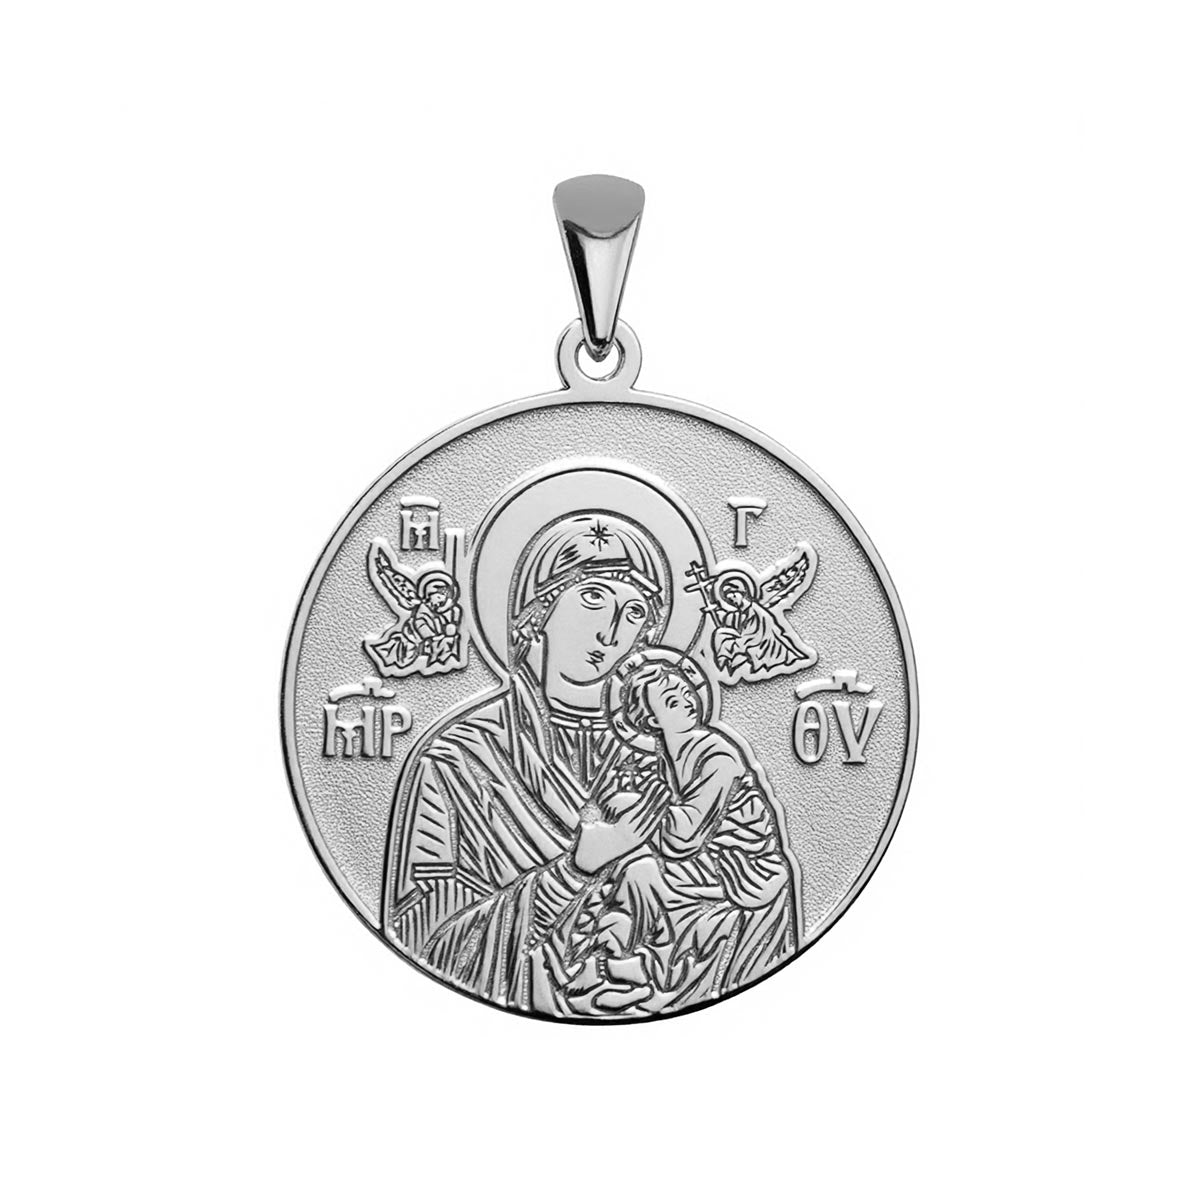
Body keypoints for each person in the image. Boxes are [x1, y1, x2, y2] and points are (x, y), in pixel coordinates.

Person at [383, 511, 800, 1018]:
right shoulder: (460, 759)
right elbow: (426, 944)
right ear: (537, 608)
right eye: (593, 597)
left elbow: (760, 901)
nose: (611, 632)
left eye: (633, 612)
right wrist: (574, 871)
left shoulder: (677, 755)